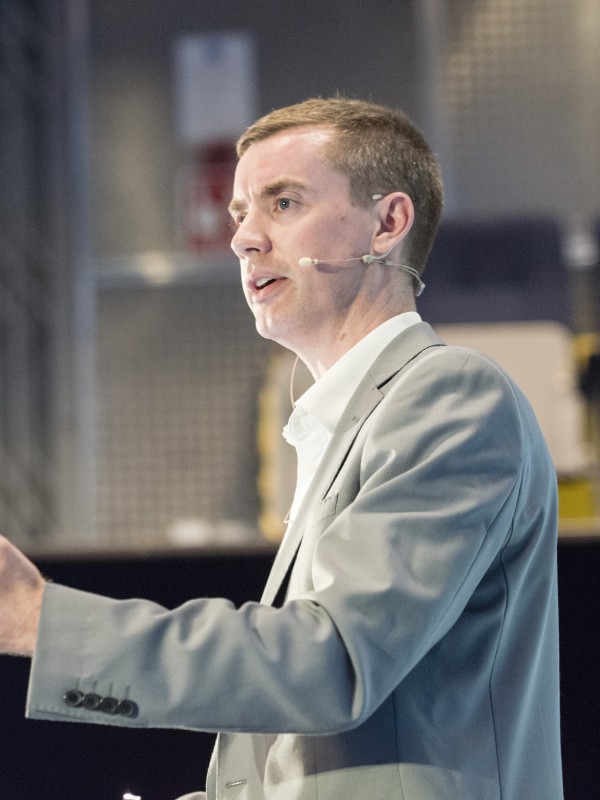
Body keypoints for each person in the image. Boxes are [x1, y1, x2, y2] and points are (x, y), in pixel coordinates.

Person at [0, 97, 563, 800]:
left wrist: (35, 617)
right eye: (240, 214)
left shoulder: (450, 395)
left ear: (388, 224)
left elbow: (330, 664)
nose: (243, 239)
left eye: (284, 203)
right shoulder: (347, 428)